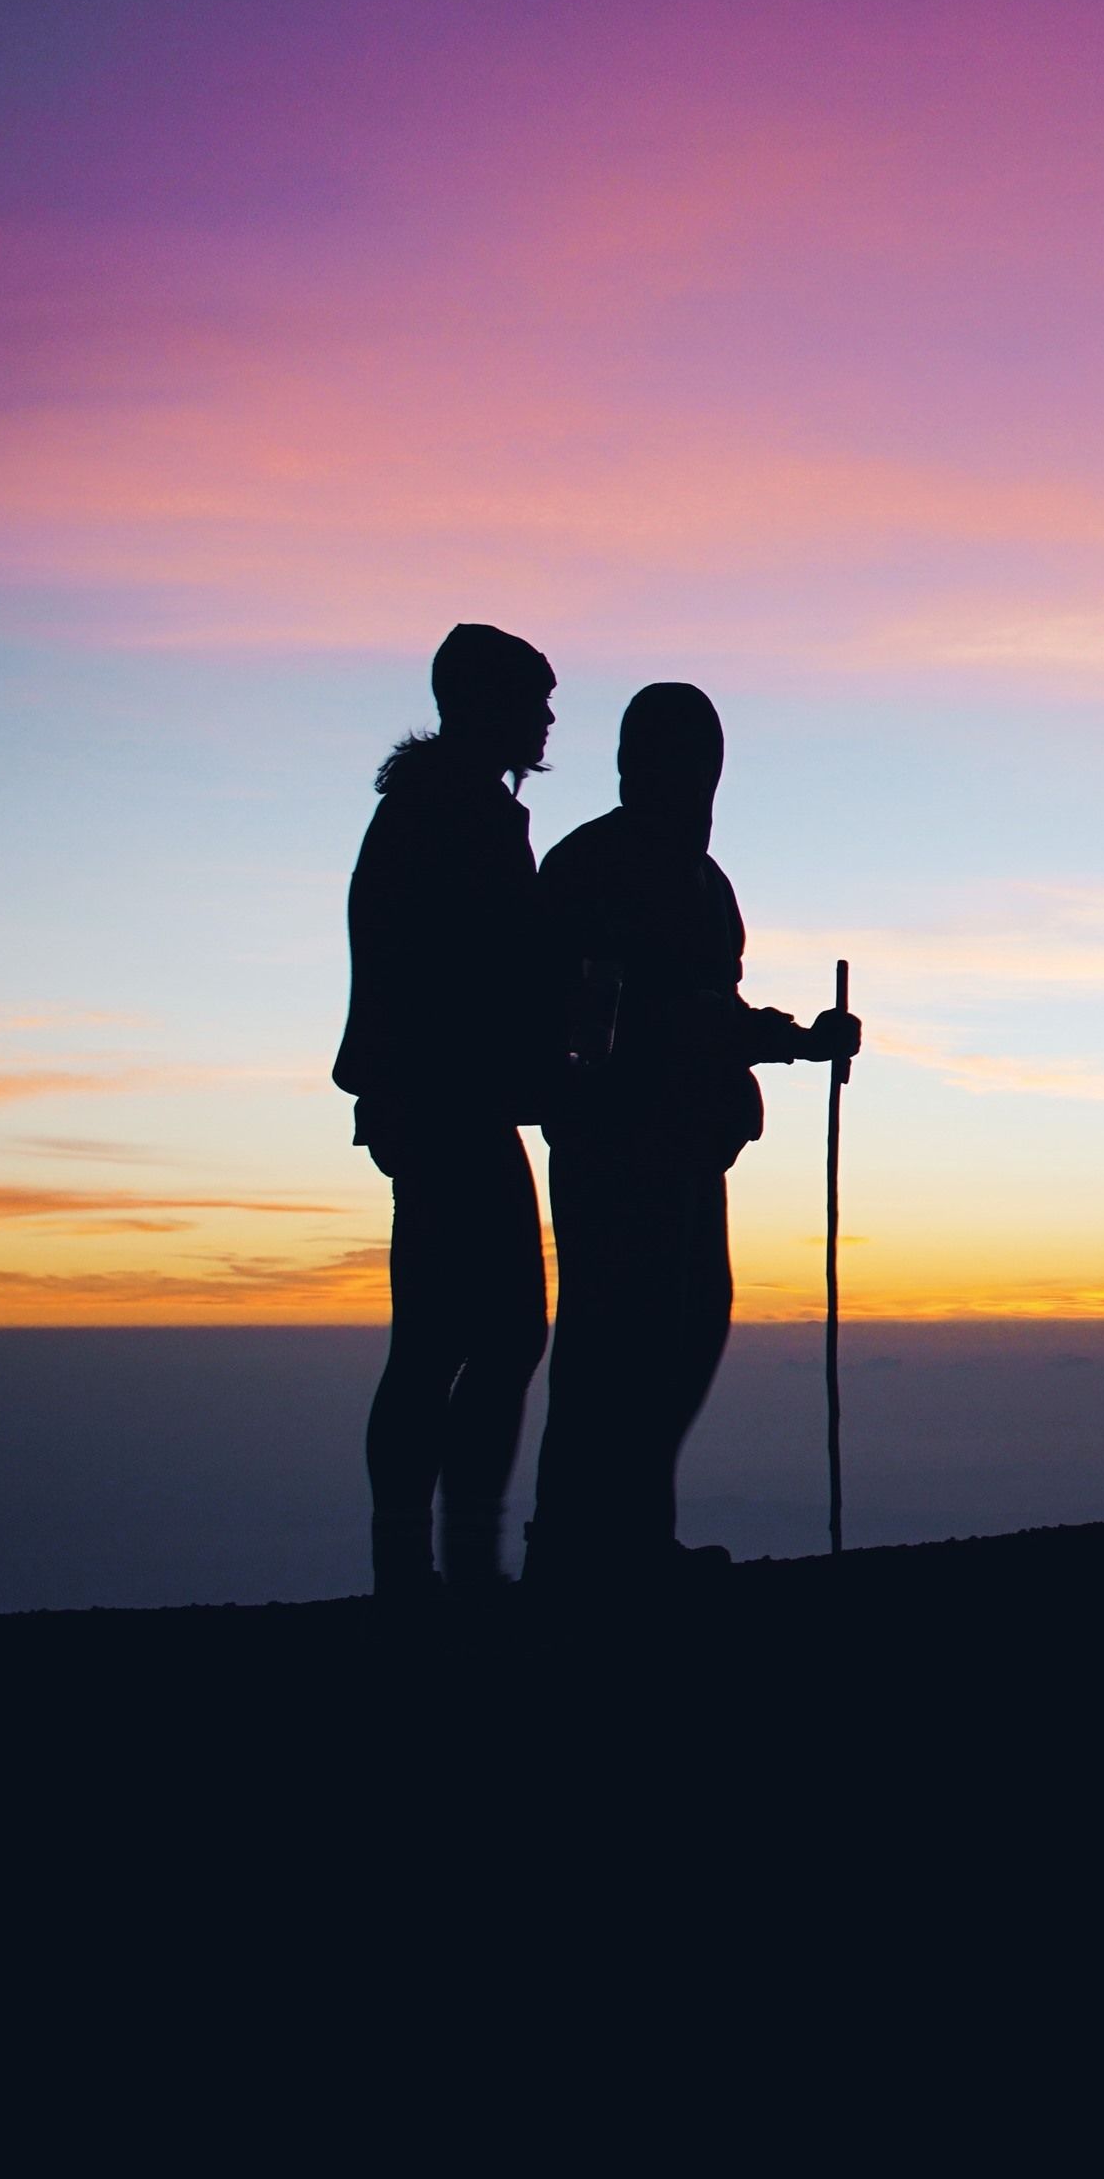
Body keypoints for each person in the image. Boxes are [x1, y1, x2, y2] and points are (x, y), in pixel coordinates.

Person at [524, 682, 861, 1590]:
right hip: (614, 1143)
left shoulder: (705, 882)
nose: (692, 778)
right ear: (639, 764)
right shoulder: (593, 867)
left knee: (679, 1336)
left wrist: (795, 1042)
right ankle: (573, 1548)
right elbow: (630, 1015)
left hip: (688, 1148)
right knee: (610, 1342)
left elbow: (715, 1007)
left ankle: (630, 1534)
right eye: (676, 757)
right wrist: (776, 1041)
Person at [333, 624, 557, 1596]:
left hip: (436, 1102)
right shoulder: (453, 815)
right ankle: (446, 1562)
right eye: (534, 699)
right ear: (485, 704)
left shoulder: (440, 809)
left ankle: (427, 1558)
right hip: (446, 1104)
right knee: (487, 1333)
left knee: (452, 1335)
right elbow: (467, 970)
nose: (548, 719)